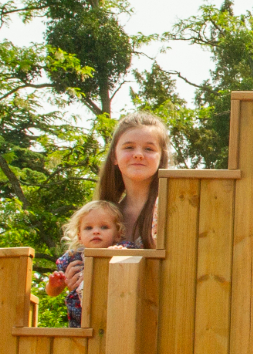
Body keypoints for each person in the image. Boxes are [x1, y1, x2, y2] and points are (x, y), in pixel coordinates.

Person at [62, 111, 171, 303]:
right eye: (129, 147)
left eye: (149, 148)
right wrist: (75, 279)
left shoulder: (173, 210)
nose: (138, 154)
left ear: (162, 158)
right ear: (114, 156)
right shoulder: (100, 218)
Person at [47, 200, 121, 328]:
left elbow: (132, 259)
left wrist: (119, 254)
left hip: (113, 316)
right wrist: (54, 285)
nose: (96, 231)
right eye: (88, 228)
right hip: (79, 321)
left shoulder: (120, 249)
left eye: (104, 227)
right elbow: (52, 292)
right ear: (79, 236)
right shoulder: (72, 257)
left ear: (118, 234)